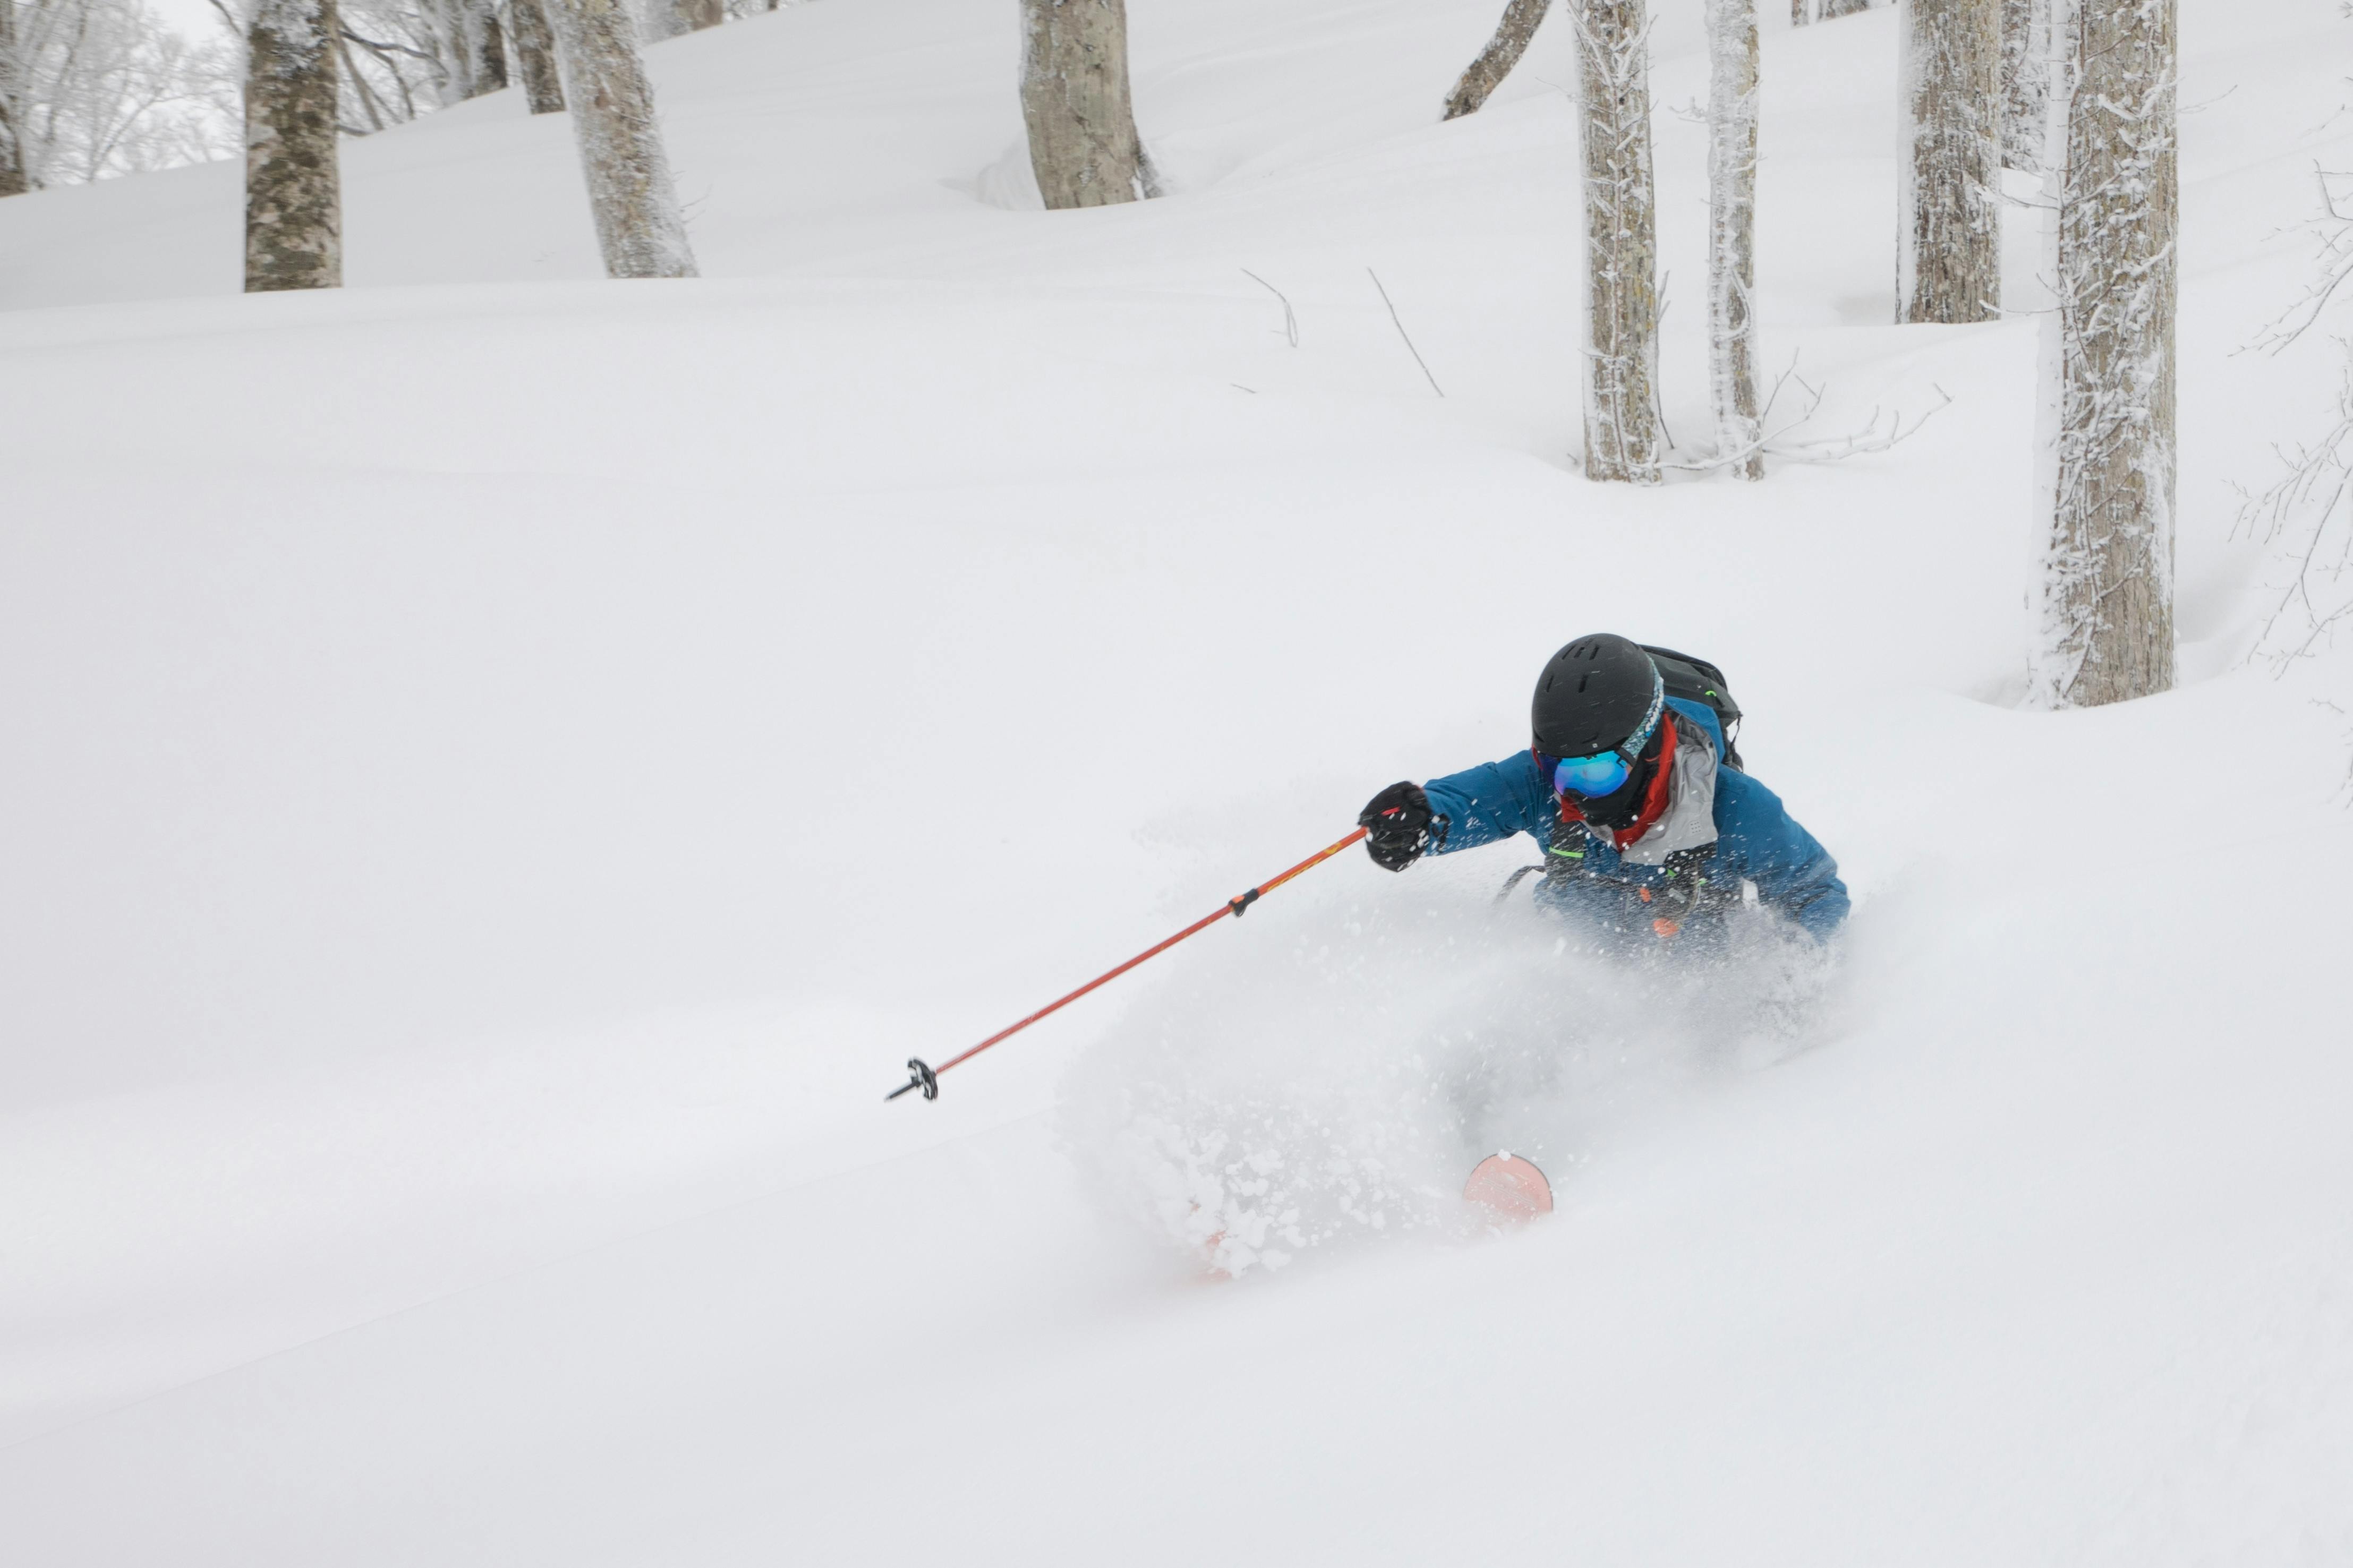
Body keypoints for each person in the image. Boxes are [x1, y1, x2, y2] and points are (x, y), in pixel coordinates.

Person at [1357, 634, 1847, 948]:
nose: (1574, 793)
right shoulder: (1543, 783)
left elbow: (1816, 892)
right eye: (1558, 770)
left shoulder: (1735, 806)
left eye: (1595, 773)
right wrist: (1420, 821)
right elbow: (1468, 802)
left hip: (1690, 987)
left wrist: (1791, 979)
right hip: (1573, 961)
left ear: (1647, 750)